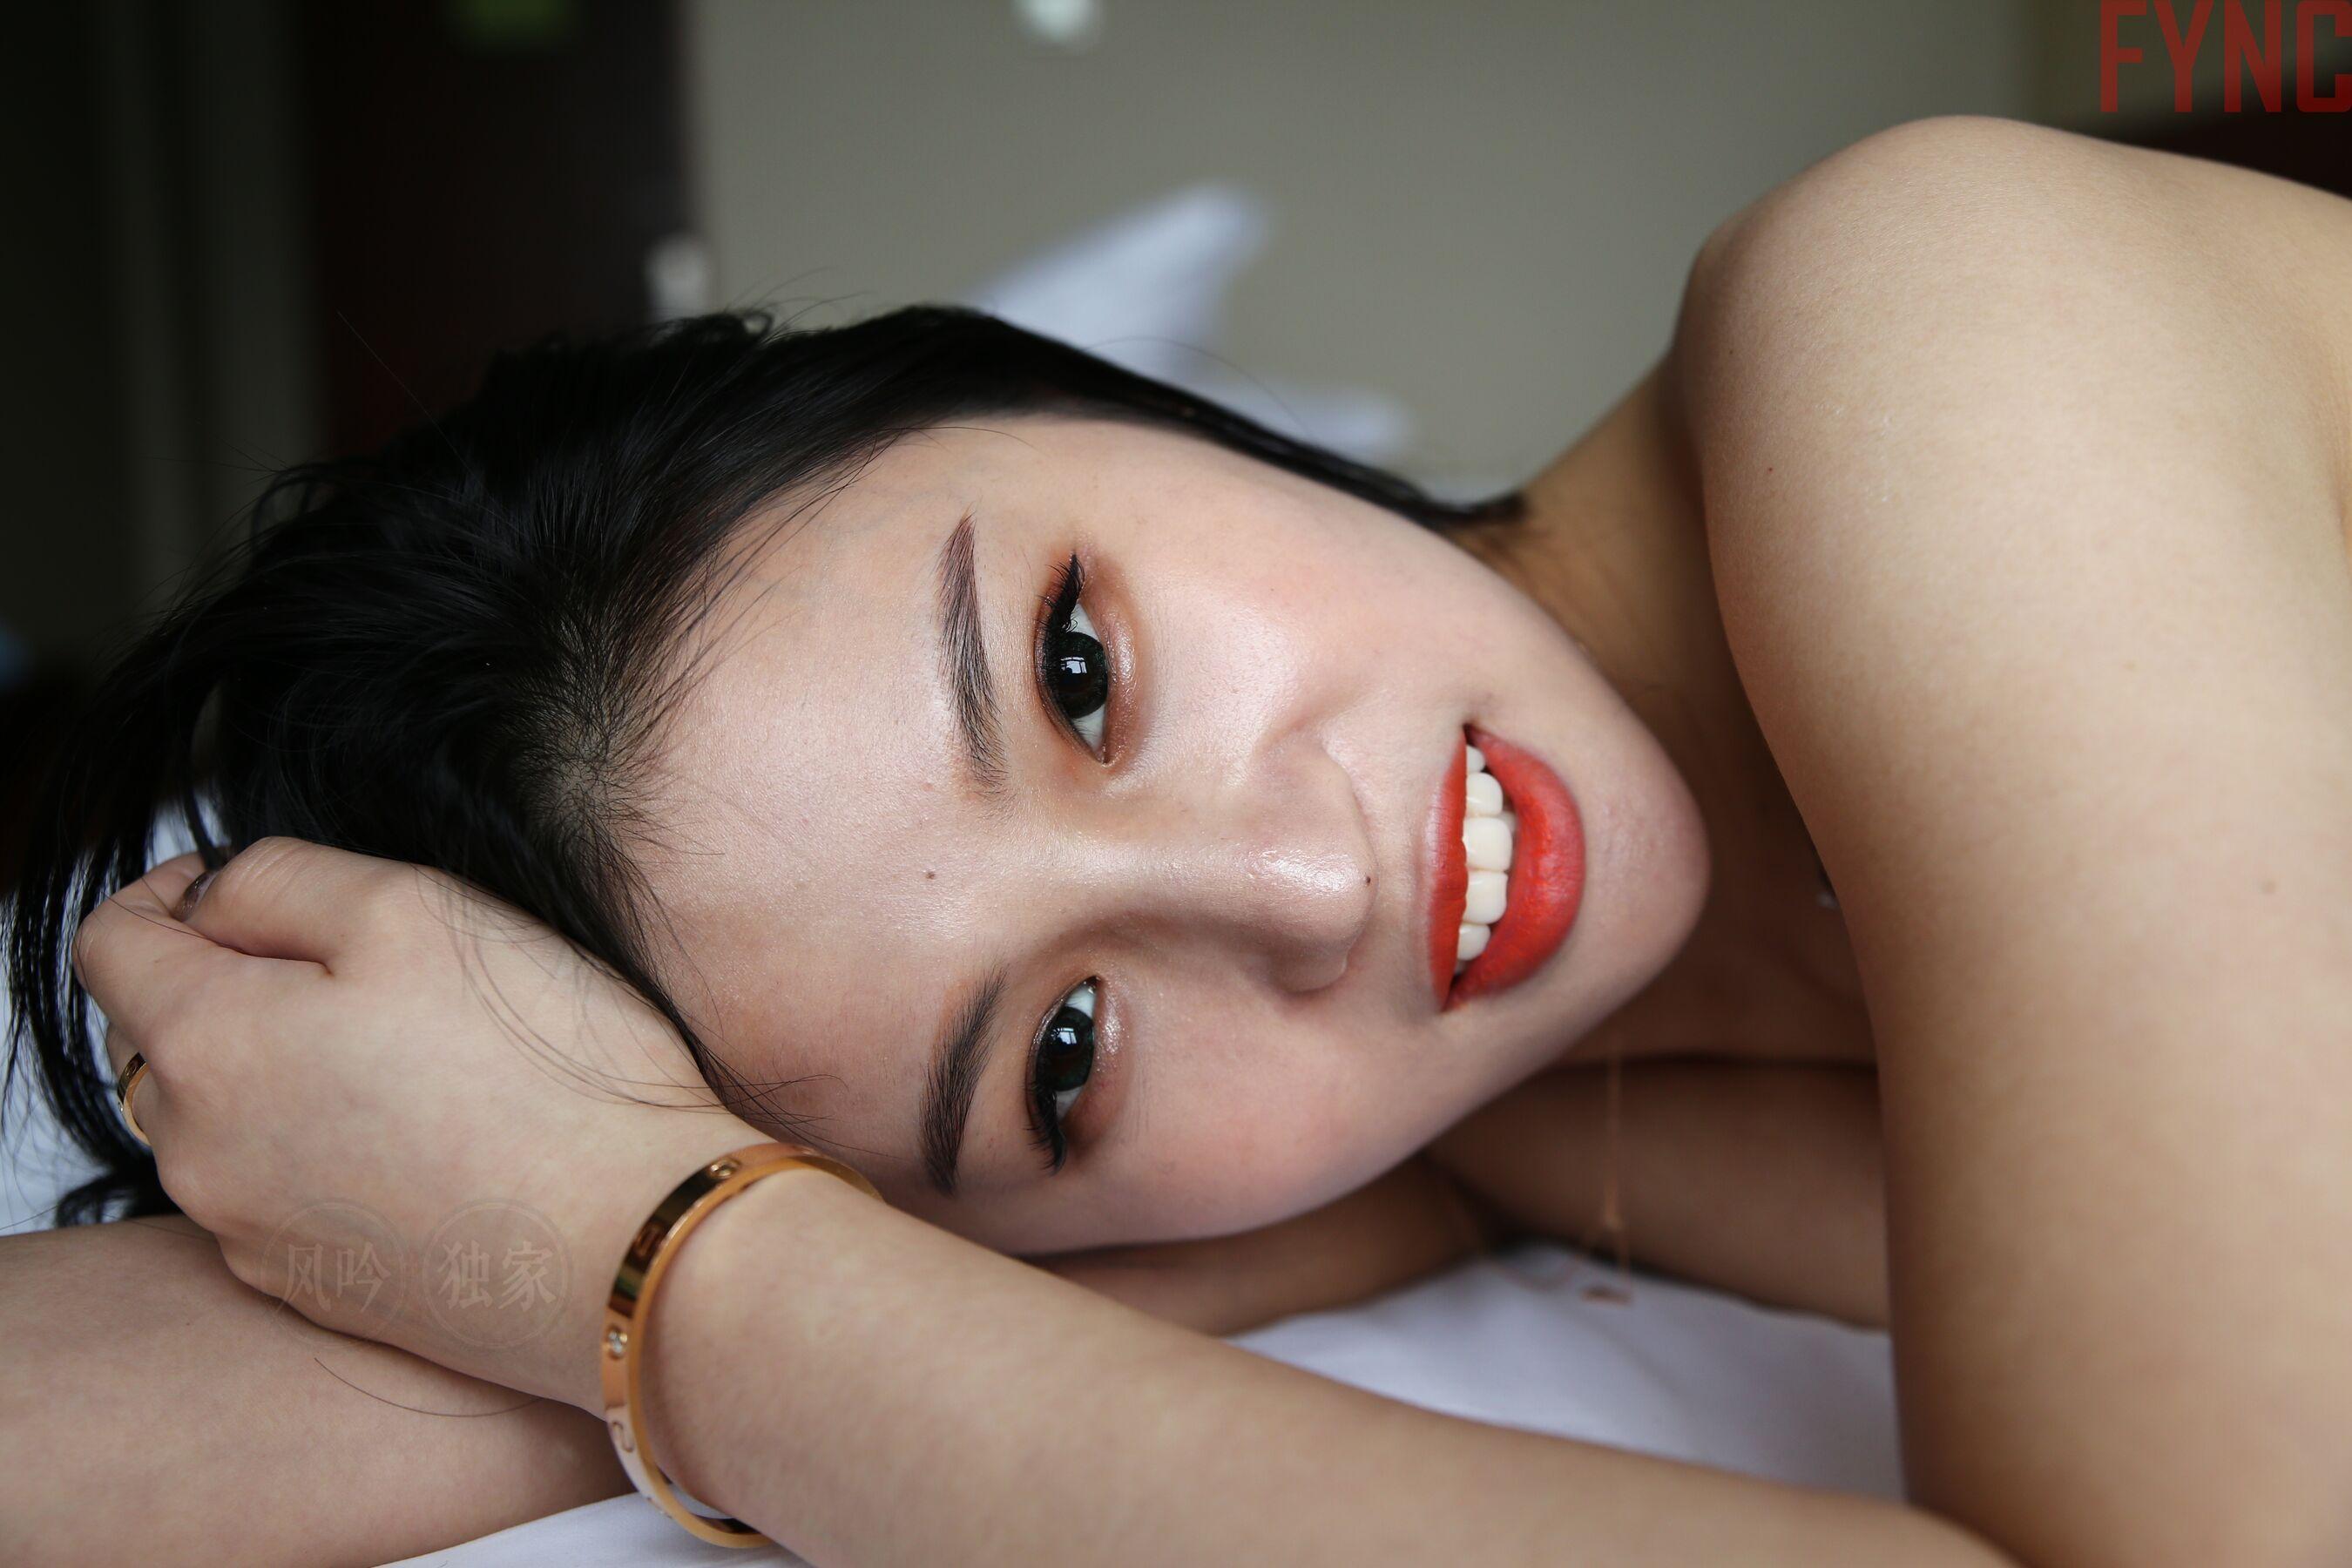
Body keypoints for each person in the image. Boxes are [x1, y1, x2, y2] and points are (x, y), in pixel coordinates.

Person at [6, 114, 2349, 1566]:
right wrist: (572, 1236)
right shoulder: (1544, 1125)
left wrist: (686, 1273)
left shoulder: (1935, 327)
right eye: (1062, 1057)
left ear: (1106, 409)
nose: (1308, 892)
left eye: (1076, 672)